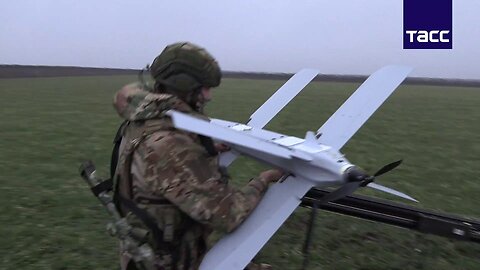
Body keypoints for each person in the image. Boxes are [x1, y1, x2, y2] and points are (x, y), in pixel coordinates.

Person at [112, 42, 283, 270]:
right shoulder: (171, 145)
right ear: (184, 85)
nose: (208, 96)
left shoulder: (144, 119)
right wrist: (264, 179)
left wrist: (205, 146)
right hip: (170, 261)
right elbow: (228, 214)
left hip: (147, 251)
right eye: (204, 88)